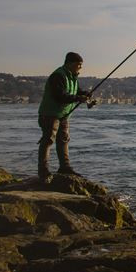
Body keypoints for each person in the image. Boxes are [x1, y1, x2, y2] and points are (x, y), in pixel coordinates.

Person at [37, 52, 91, 180]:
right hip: (50, 114)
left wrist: (85, 94)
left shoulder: (72, 77)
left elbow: (76, 91)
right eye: (79, 65)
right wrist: (79, 98)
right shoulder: (58, 76)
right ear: (70, 64)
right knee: (48, 140)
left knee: (63, 140)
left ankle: (64, 167)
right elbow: (60, 96)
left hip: (64, 115)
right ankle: (43, 171)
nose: (80, 68)